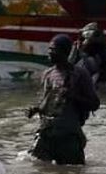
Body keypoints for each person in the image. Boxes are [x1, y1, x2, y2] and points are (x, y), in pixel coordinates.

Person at [27, 35, 100, 165]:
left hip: (69, 135)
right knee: (37, 170)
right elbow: (46, 102)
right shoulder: (47, 74)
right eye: (49, 49)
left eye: (53, 49)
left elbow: (95, 104)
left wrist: (73, 96)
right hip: (46, 132)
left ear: (64, 52)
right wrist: (35, 109)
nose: (49, 52)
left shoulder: (80, 74)